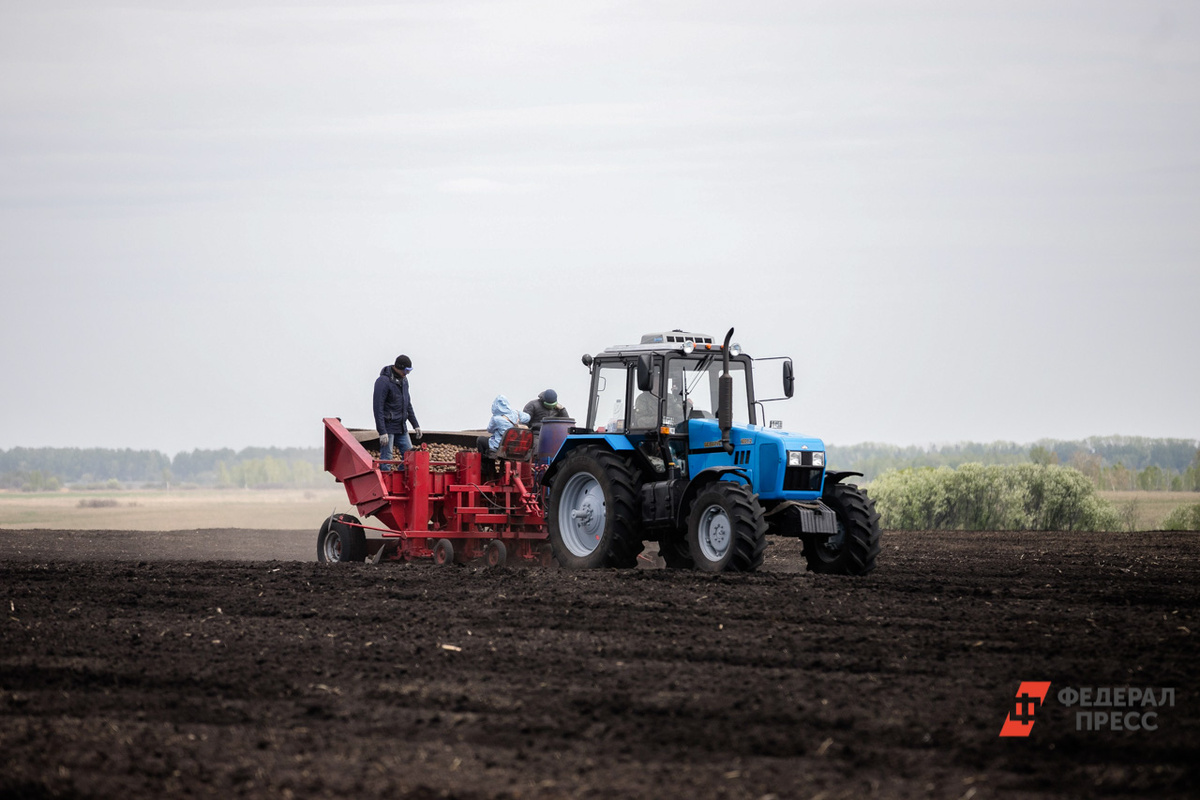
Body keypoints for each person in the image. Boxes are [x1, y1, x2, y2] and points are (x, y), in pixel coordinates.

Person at [373, 355, 421, 470]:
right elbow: (377, 408)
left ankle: (402, 482)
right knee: (387, 457)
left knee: (410, 456)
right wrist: (382, 431)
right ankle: (385, 484)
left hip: (401, 427)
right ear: (399, 367)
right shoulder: (383, 382)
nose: (407, 373)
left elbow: (407, 404)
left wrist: (416, 425)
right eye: (406, 370)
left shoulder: (404, 381)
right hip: (388, 427)